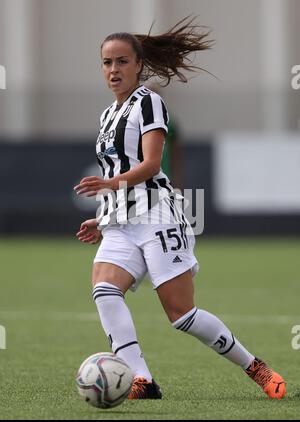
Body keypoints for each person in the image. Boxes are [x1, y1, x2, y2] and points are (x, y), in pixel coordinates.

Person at [74, 17, 286, 400]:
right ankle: (142, 380)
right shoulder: (107, 117)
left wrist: (109, 185)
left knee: (181, 315)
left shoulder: (149, 102)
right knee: (105, 290)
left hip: (158, 217)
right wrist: (104, 219)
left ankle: (255, 366)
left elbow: (152, 164)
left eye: (122, 61)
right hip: (122, 222)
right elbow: (118, 174)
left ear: (138, 64)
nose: (113, 70)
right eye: (107, 62)